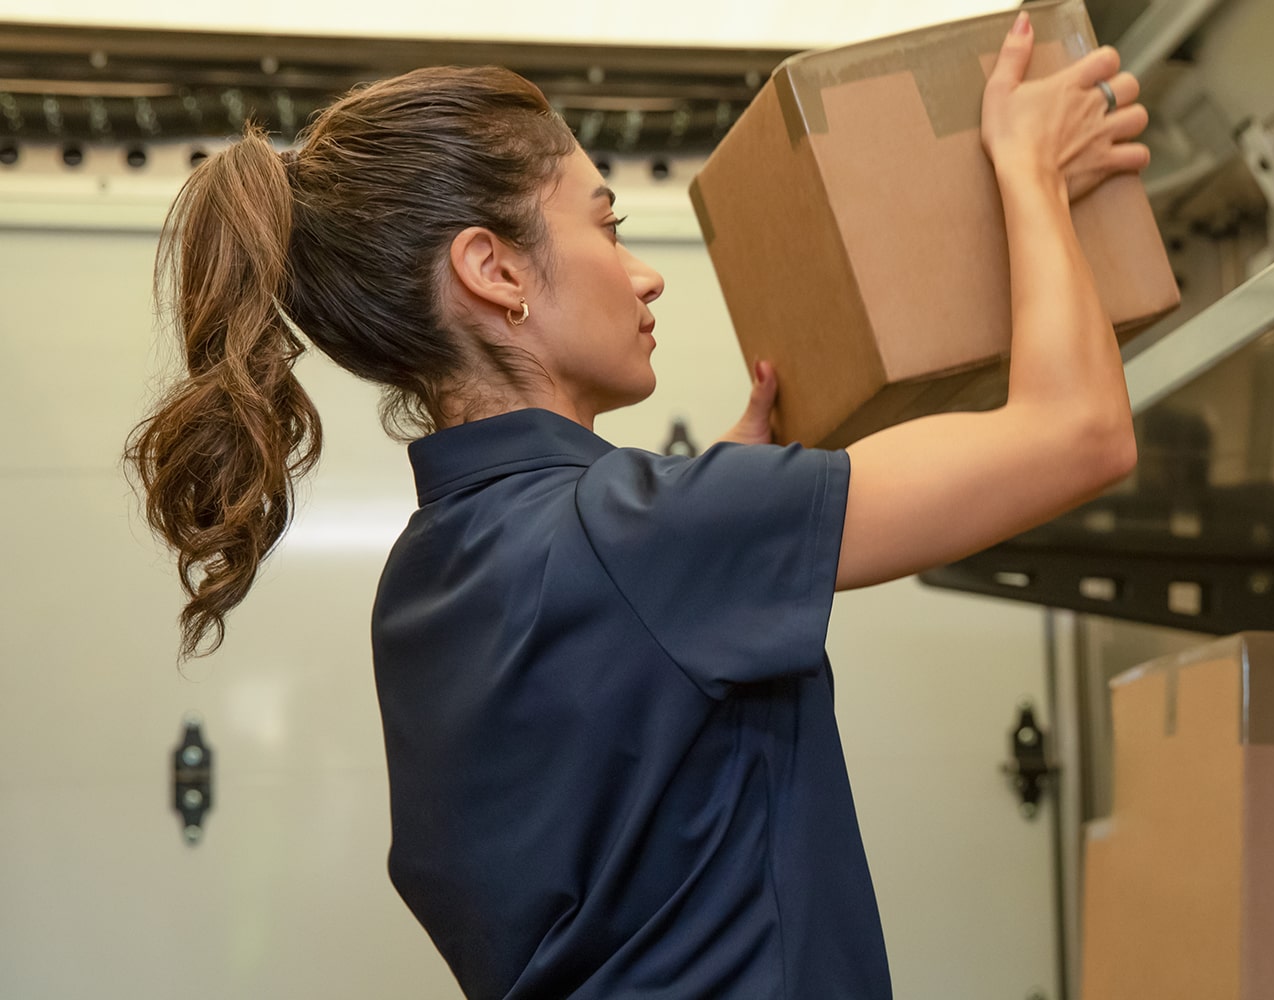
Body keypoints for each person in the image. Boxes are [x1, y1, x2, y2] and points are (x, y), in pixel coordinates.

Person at [126, 12, 1146, 1000]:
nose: (645, 276)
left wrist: (721, 499)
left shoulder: (426, 576)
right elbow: (1078, 435)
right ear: (494, 271)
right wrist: (1030, 173)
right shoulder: (645, 537)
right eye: (607, 226)